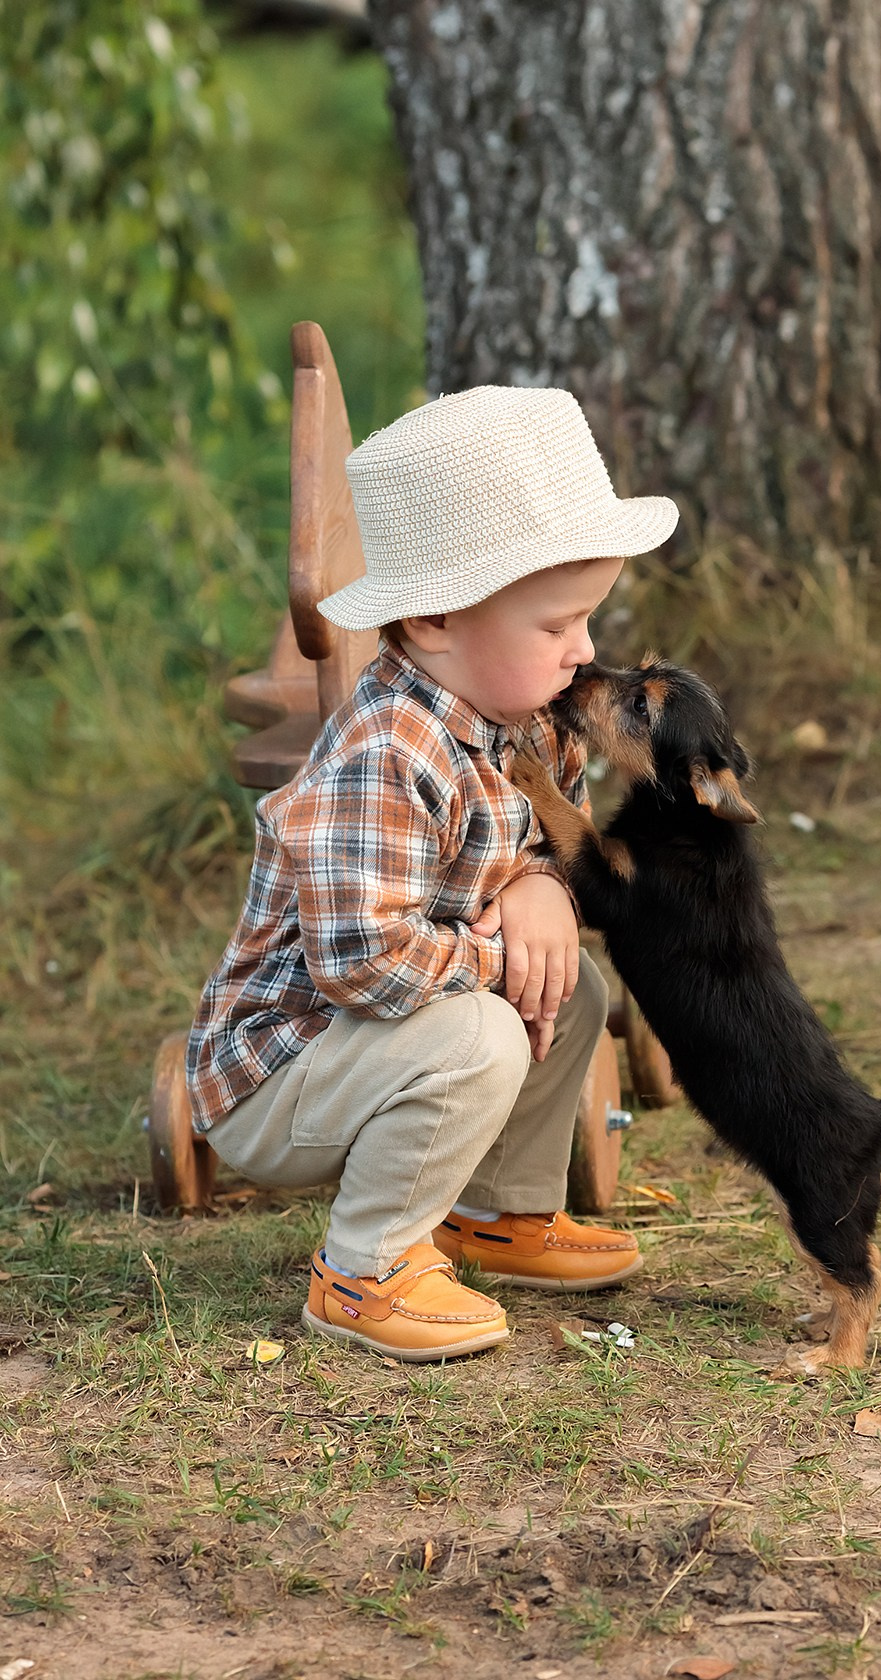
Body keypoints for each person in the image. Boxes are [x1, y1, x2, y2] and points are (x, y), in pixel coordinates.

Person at [187, 383, 678, 1361]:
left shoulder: (535, 714)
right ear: (435, 622)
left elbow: (553, 837)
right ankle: (361, 1268)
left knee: (570, 986)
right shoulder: (385, 753)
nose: (583, 650)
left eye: (586, 619)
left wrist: (542, 885)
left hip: (399, 1025)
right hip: (286, 1067)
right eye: (555, 627)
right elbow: (359, 966)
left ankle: (496, 1213)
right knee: (486, 1032)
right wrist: (498, 962)